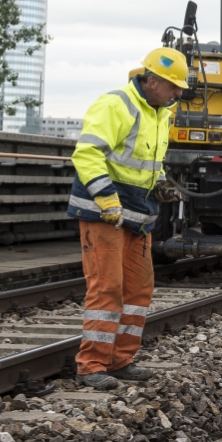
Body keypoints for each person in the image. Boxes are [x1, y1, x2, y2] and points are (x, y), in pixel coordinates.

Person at [68, 48, 187, 389]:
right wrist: (106, 199)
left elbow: (145, 161)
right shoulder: (116, 104)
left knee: (138, 289)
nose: (178, 94)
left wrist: (161, 182)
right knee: (108, 289)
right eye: (172, 87)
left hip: (137, 215)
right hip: (103, 214)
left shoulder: (159, 110)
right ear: (152, 82)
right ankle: (91, 365)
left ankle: (120, 360)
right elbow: (87, 153)